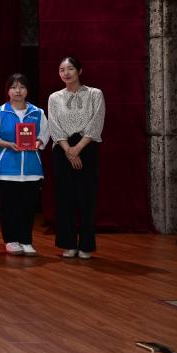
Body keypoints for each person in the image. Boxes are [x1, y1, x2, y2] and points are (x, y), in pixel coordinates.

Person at [47, 56, 105, 259]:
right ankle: (68, 244)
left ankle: (86, 245)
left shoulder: (95, 94)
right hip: (62, 150)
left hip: (87, 148)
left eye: (70, 69)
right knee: (65, 199)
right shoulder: (54, 97)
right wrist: (69, 151)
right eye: (62, 70)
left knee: (86, 199)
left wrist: (78, 148)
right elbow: (54, 126)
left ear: (79, 71)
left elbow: (96, 122)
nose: (66, 73)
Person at [0, 73, 49, 256]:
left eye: (22, 87)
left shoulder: (37, 112)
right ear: (8, 90)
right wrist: (8, 144)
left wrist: (37, 142)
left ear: (27, 90)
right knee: (8, 207)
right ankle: (11, 240)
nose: (18, 91)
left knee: (28, 207)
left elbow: (45, 134)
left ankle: (26, 240)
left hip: (31, 169)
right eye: (14, 87)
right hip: (5, 169)